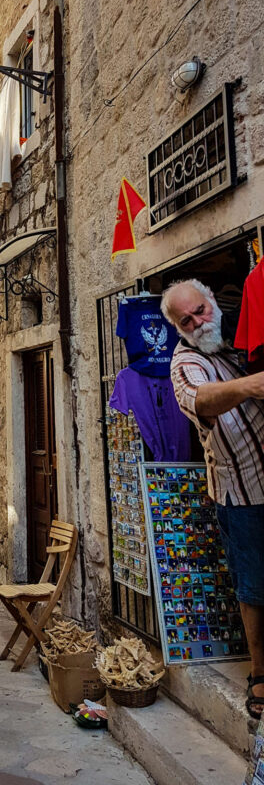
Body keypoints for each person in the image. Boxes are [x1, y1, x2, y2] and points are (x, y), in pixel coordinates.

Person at [161, 278, 264, 720]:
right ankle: (260, 675)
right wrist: (250, 385)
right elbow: (199, 399)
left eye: (200, 310)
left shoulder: (240, 330)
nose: (199, 322)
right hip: (241, 492)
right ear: (178, 328)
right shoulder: (185, 360)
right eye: (187, 320)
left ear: (210, 302)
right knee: (254, 587)